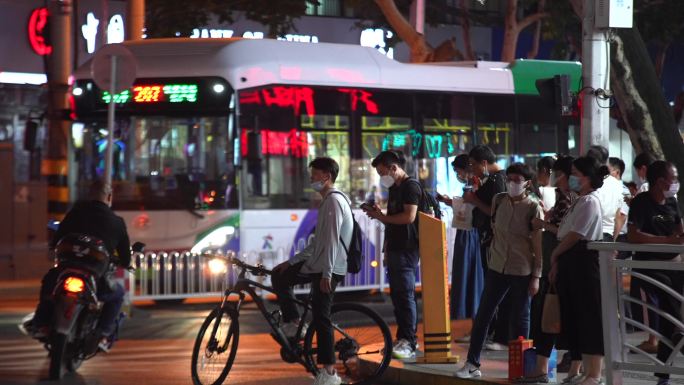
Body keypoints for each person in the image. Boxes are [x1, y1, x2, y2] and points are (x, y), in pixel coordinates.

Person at [455, 163, 543, 379]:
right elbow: (494, 229)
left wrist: (536, 276)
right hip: (497, 265)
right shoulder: (499, 200)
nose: (512, 183)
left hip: (522, 268)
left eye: (517, 180)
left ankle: (521, 368)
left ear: (527, 183)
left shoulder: (533, 207)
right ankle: (472, 363)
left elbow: (538, 244)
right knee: (483, 314)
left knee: (521, 317)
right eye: (510, 178)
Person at [271, 157, 352, 385]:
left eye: (314, 174)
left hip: (329, 267)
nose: (311, 178)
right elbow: (318, 243)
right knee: (279, 276)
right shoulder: (326, 201)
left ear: (327, 176)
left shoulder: (334, 202)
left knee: (321, 317)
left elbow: (333, 242)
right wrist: (291, 262)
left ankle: (330, 372)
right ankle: (295, 323)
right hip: (319, 263)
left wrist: (326, 274)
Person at [30, 180, 131, 350]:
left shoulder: (75, 213)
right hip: (96, 277)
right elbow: (126, 259)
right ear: (109, 197)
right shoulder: (117, 222)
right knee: (118, 295)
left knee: (49, 285)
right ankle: (103, 335)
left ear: (90, 196)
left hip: (66, 269)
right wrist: (123, 263)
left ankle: (41, 323)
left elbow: (57, 240)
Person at [518, 156, 581, 384]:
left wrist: (543, 224)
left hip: (559, 265)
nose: (553, 176)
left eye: (557, 172)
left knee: (550, 318)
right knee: (563, 319)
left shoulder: (569, 198)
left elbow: (564, 232)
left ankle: (548, 369)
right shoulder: (572, 198)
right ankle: (570, 368)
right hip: (560, 264)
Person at [549, 156, 607, 385]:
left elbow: (576, 235)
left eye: (574, 173)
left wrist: (555, 254)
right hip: (572, 261)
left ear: (587, 177)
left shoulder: (590, 201)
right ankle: (585, 370)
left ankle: (595, 373)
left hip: (583, 261)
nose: (570, 177)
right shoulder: (579, 200)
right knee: (578, 317)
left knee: (590, 316)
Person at [627, 160, 684, 385]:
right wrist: (666, 241)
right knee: (672, 316)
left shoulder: (672, 202)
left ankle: (663, 375)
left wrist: (677, 240)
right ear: (661, 181)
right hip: (650, 267)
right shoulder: (642, 202)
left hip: (673, 267)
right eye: (674, 178)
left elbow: (679, 230)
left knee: (671, 325)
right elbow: (634, 235)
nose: (676, 183)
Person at [363, 150, 421, 359]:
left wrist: (381, 217)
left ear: (393, 168)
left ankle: (409, 341)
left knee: (405, 296)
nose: (381, 177)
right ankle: (402, 338)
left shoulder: (410, 186)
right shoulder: (395, 188)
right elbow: (393, 219)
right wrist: (386, 247)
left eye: (382, 172)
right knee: (397, 296)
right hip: (396, 248)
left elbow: (408, 217)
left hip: (407, 249)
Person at [463, 144, 508, 350]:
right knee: (491, 288)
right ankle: (491, 332)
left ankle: (498, 334)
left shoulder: (498, 180)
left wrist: (473, 199)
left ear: (483, 162)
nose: (471, 169)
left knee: (495, 288)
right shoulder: (491, 179)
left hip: (493, 241)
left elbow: (496, 211)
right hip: (488, 240)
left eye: (473, 164)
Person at [436, 154, 484, 322]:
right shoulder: (473, 184)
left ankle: (477, 323)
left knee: (470, 277)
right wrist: (447, 201)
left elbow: (469, 206)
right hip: (467, 232)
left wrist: (449, 201)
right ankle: (474, 323)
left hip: (471, 232)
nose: (458, 175)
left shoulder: (477, 184)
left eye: (458, 171)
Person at [586, 146, 625, 243]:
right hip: (609, 236)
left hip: (591, 234)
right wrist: (614, 241)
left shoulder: (591, 182)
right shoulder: (617, 184)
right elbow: (619, 216)